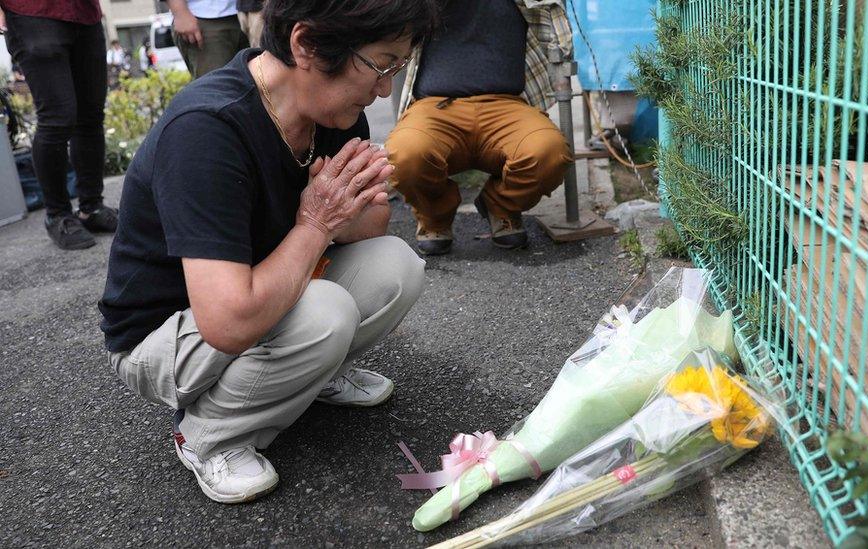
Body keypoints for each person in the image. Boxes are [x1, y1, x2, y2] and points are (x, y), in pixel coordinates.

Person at [99, 0, 436, 504]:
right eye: (380, 63)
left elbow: (372, 223)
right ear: (305, 44)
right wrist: (317, 221)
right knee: (326, 312)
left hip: (259, 290)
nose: (384, 87)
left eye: (397, 68)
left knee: (397, 267)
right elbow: (227, 321)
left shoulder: (334, 111)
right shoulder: (207, 129)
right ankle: (209, 435)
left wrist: (335, 210)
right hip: (164, 334)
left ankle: (310, 375)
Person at [386, 0, 574, 255]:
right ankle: (435, 216)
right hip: (436, 106)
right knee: (405, 154)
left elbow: (557, 26)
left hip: (506, 104)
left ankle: (500, 206)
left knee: (549, 152)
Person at [0, 0, 118, 250]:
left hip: (85, 13)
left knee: (90, 116)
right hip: (32, 11)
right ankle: (58, 214)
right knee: (57, 119)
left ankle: (92, 207)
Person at [169, 0, 249, 79]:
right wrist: (180, 12)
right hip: (202, 17)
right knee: (217, 86)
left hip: (248, 11)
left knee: (255, 85)